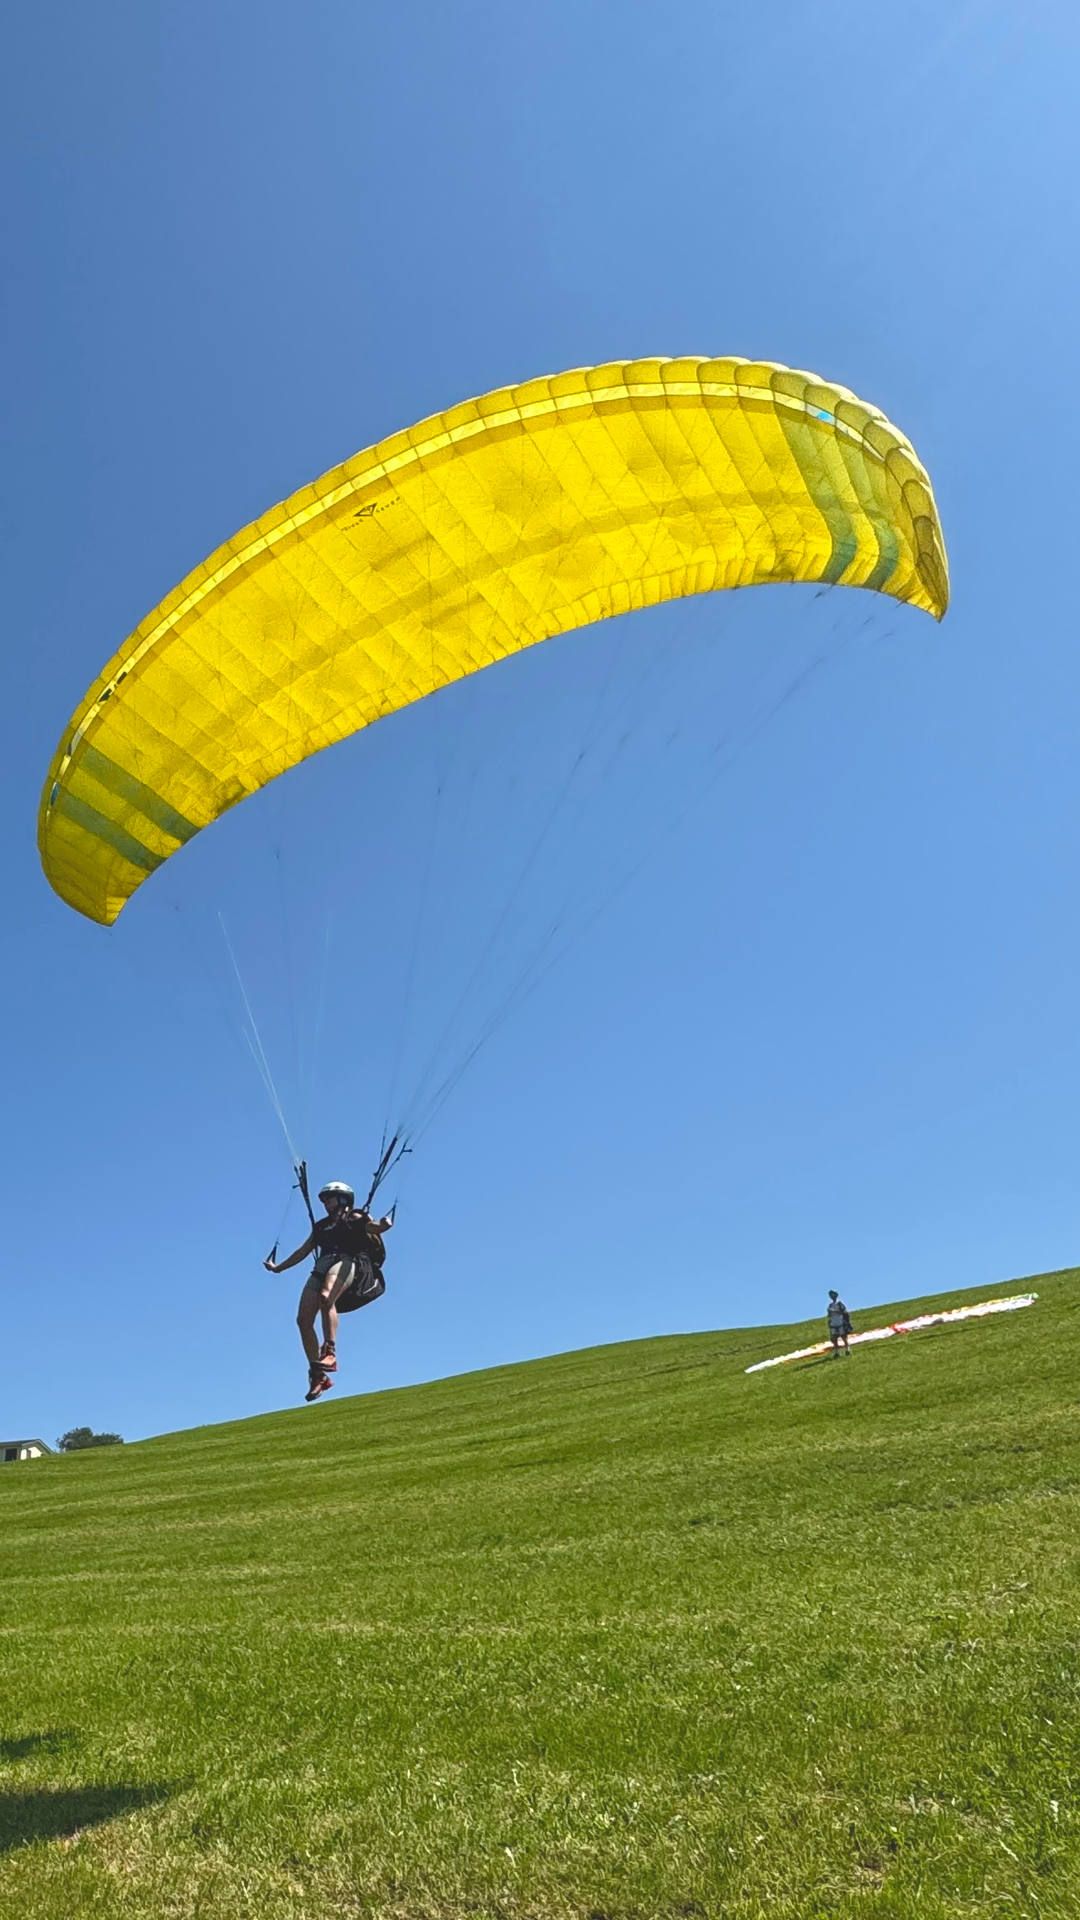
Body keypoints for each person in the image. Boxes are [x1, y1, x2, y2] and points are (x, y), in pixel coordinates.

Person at [264, 1181, 394, 1402]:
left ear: (343, 1199)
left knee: (326, 1297)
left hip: (347, 1261)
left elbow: (372, 1228)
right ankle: (318, 1376)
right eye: (324, 1200)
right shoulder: (321, 1227)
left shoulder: (354, 1217)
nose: (326, 1203)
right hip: (322, 1266)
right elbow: (302, 1251)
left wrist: (383, 1225)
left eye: (329, 1199)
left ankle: (330, 1352)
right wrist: (278, 1268)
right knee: (303, 1320)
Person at [826, 1290, 853, 1358]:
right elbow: (829, 1315)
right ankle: (837, 1352)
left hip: (840, 1322)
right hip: (833, 1323)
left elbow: (844, 1312)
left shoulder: (839, 1303)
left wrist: (834, 1311)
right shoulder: (830, 1305)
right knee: (834, 1339)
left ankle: (847, 1350)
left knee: (843, 1337)